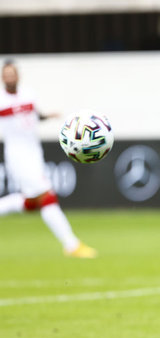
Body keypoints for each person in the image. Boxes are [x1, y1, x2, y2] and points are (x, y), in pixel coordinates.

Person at [0, 60, 96, 258]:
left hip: (34, 151)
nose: (9, 77)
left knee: (31, 202)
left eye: (12, 74)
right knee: (46, 196)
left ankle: (71, 245)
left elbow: (34, 116)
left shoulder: (28, 94)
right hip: (17, 155)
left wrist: (48, 116)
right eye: (6, 75)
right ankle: (71, 245)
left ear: (18, 75)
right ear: (2, 78)